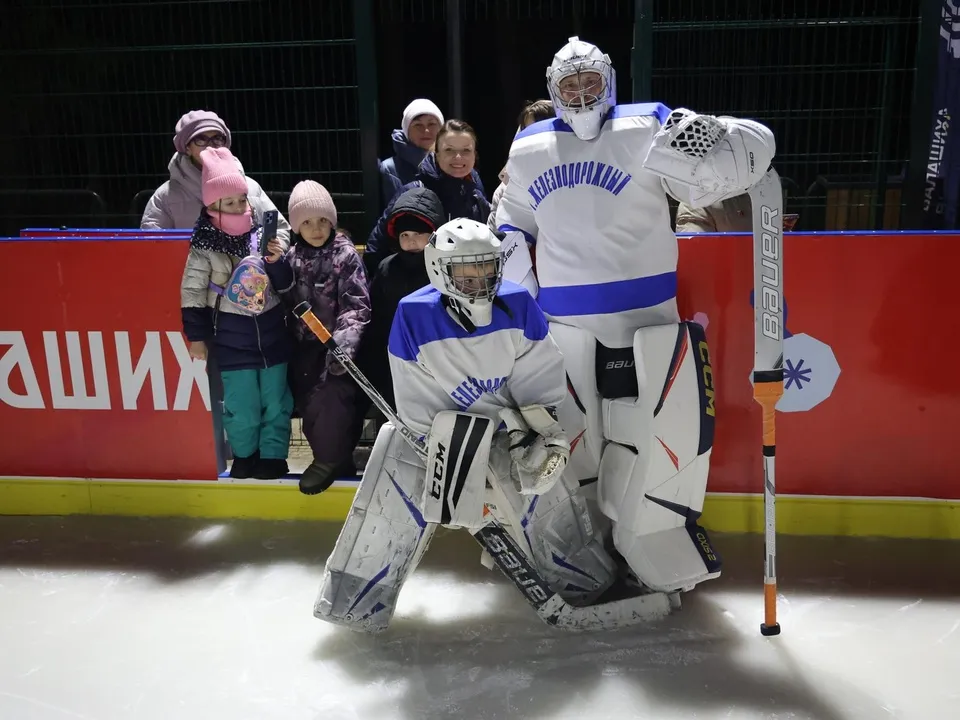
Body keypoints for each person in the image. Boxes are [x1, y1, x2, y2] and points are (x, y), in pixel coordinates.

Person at [495, 37, 776, 601]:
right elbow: (511, 220)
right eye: (569, 85)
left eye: (590, 82)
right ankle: (583, 547)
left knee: (651, 435)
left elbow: (709, 176)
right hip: (564, 326)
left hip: (646, 321)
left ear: (610, 81)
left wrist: (728, 145)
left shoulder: (647, 126)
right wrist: (520, 292)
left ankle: (650, 539)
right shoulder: (528, 147)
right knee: (574, 441)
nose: (581, 94)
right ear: (553, 90)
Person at [313, 219, 615, 632]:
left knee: (542, 482)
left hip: (510, 434)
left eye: (487, 268)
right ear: (439, 270)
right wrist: (452, 470)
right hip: (441, 439)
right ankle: (354, 601)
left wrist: (534, 433)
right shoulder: (413, 314)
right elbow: (417, 405)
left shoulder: (518, 303)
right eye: (467, 272)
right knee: (395, 456)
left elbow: (540, 382)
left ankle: (585, 584)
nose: (480, 280)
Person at [180, 147, 294, 480]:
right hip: (232, 342)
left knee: (277, 402)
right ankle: (245, 455)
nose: (237, 207)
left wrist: (276, 259)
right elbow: (192, 292)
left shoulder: (262, 235)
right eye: (228, 203)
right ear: (211, 206)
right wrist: (197, 338)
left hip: (272, 336)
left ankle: (273, 456)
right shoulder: (203, 245)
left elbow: (285, 282)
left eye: (241, 200)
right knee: (241, 406)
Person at [269, 180, 371, 495]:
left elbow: (356, 305)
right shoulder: (293, 256)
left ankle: (328, 460)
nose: (316, 229)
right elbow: (286, 298)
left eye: (322, 221)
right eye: (307, 223)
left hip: (336, 346)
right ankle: (334, 460)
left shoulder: (344, 255)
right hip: (303, 346)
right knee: (309, 404)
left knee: (332, 399)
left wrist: (343, 345)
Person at [363, 119, 491, 278]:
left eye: (466, 150)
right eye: (449, 150)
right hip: (418, 288)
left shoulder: (475, 191)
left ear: (474, 154)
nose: (458, 157)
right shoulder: (414, 191)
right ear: (437, 153)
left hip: (467, 284)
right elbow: (377, 247)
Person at [141, 109, 291, 241]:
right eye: (200, 139)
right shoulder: (166, 196)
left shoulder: (250, 187)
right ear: (187, 148)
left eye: (217, 138)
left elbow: (277, 228)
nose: (210, 144)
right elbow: (152, 244)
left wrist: (269, 253)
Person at [488, 99, 555, 233]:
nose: (533, 136)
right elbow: (495, 235)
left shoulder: (576, 174)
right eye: (527, 130)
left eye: (539, 129)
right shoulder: (506, 186)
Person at [378, 99, 444, 206]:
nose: (426, 130)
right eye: (418, 125)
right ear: (406, 131)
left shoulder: (454, 163)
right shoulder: (389, 169)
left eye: (432, 124)